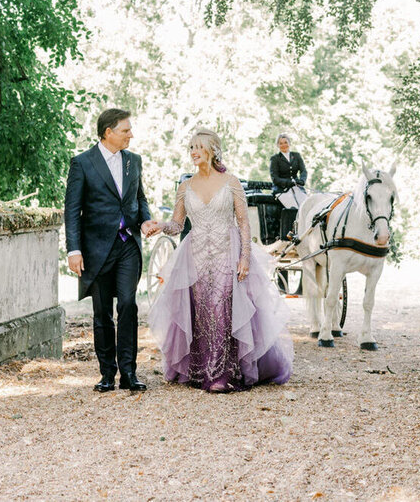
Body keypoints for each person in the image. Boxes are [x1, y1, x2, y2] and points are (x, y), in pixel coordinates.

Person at [142, 129, 293, 392]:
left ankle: (223, 374)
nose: (193, 152)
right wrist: (161, 225)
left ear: (213, 150)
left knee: (222, 306)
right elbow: (178, 225)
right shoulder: (185, 186)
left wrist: (245, 257)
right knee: (202, 310)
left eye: (199, 147)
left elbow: (244, 223)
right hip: (196, 255)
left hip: (227, 251)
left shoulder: (231, 182)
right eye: (190, 147)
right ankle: (201, 370)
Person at [64, 108, 151, 392]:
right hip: (96, 249)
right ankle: (106, 374)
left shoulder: (134, 161)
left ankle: (128, 372)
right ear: (108, 132)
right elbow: (72, 210)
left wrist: (146, 219)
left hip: (128, 246)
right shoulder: (82, 163)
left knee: (128, 304)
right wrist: (73, 250)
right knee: (102, 312)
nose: (131, 135)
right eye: (126, 130)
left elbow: (140, 198)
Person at [269, 133, 307, 211]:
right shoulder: (275, 159)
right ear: (278, 145)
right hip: (282, 190)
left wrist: (302, 180)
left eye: (285, 142)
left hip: (297, 188)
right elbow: (275, 178)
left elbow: (303, 171)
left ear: (289, 143)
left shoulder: (296, 156)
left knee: (305, 206)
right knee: (294, 208)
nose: (284, 145)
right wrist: (288, 182)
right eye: (281, 143)